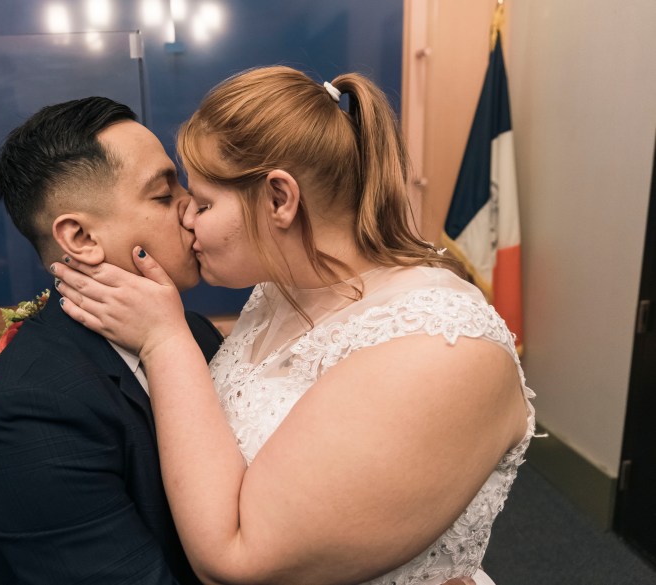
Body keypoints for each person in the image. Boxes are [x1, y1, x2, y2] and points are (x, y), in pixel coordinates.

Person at [52, 66, 534, 585]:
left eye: (205, 202)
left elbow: (236, 563)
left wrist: (164, 340)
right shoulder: (280, 292)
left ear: (280, 199)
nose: (187, 219)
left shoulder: (440, 348)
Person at [0, 97, 225, 584]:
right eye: (165, 197)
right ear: (80, 238)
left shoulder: (194, 332)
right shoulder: (29, 411)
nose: (193, 211)